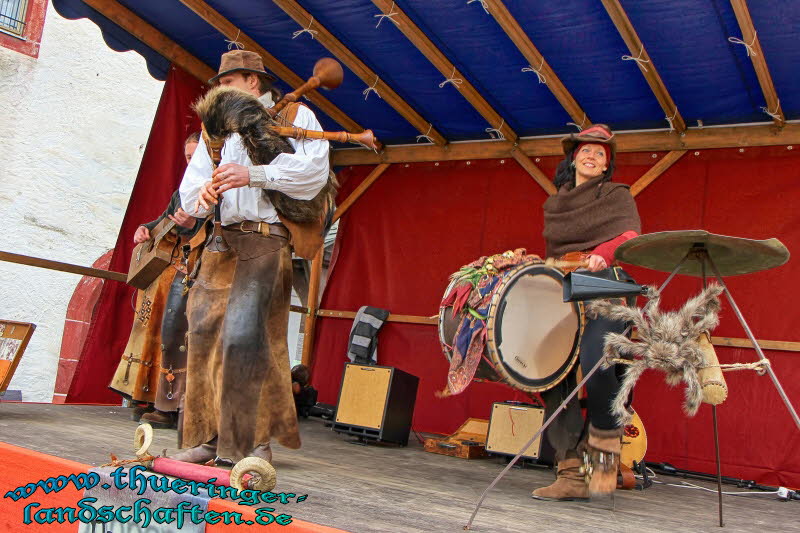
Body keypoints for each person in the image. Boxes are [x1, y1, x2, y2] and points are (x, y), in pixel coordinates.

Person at [173, 49, 329, 465]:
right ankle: (209, 438)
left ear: (252, 82)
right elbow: (190, 192)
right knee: (204, 336)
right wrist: (203, 198)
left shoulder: (295, 116)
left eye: (226, 82)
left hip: (266, 240)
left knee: (246, 338)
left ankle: (252, 441)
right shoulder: (214, 130)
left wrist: (254, 174)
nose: (218, 89)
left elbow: (313, 173)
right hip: (222, 241)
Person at [533, 124, 641, 501]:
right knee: (548, 369)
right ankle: (569, 472)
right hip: (566, 290)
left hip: (608, 287)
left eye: (600, 153)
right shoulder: (555, 204)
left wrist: (603, 254)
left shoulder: (616, 194)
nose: (592, 156)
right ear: (574, 157)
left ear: (606, 165)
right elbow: (554, 254)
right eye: (586, 151)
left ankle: (603, 465)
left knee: (597, 360)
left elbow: (630, 236)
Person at [110, 133, 204, 423]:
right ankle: (144, 394)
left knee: (175, 335)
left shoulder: (221, 185)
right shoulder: (185, 189)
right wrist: (145, 229)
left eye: (195, 157)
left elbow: (217, 227)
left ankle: (173, 405)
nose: (191, 163)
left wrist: (193, 225)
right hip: (166, 272)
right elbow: (165, 218)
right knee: (150, 330)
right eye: (188, 158)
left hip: (196, 271)